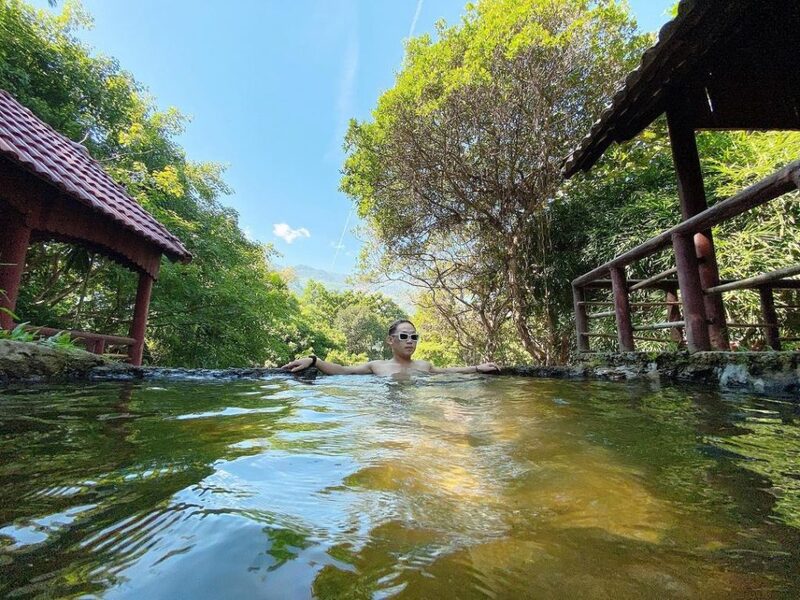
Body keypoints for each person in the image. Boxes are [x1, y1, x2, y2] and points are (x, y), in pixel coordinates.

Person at [281, 319, 500, 376]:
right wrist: (314, 360)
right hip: (387, 418)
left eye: (414, 336)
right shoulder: (377, 366)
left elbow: (449, 372)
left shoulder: (424, 365)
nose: (410, 340)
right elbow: (343, 370)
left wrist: (477, 368)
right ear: (390, 340)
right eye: (404, 336)